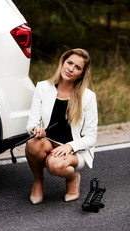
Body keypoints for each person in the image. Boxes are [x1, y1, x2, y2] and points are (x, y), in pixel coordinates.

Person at [25, 48, 98, 204]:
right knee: (32, 143)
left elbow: (91, 137)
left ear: (82, 73)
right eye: (69, 63)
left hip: (74, 150)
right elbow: (32, 121)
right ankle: (38, 181)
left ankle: (73, 177)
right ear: (63, 62)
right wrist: (35, 129)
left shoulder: (88, 97)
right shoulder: (43, 87)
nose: (71, 69)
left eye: (77, 67)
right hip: (47, 142)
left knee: (55, 164)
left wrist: (70, 147)